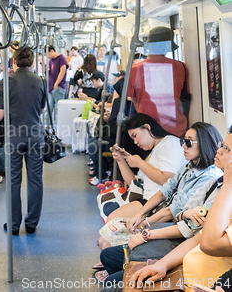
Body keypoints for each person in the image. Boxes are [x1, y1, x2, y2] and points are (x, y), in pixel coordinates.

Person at [97, 123, 222, 284]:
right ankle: (121, 270)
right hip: (163, 213)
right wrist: (140, 215)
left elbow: (181, 219)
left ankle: (123, 272)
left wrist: (145, 228)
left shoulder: (210, 177)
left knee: (111, 254)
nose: (183, 145)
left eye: (189, 142)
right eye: (183, 141)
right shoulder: (191, 166)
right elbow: (167, 190)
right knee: (107, 240)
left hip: (174, 228)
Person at [128, 129, 232, 292]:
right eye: (221, 146)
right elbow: (180, 209)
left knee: (130, 255)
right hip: (189, 262)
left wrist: (145, 230)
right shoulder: (209, 178)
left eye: (227, 149)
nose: (183, 146)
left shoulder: (220, 186)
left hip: (190, 263)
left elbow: (202, 238)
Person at [0, 47, 47, 235]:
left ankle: (14, 225)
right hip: (35, 135)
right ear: (33, 63)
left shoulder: (6, 82)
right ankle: (32, 223)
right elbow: (40, 111)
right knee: (35, 181)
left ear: (14, 62)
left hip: (13, 136)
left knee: (14, 181)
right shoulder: (41, 81)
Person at [105, 113, 187, 221]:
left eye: (135, 135)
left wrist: (139, 163)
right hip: (147, 199)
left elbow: (167, 179)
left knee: (112, 220)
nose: (135, 142)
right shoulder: (153, 152)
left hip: (159, 203)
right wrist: (121, 160)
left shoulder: (169, 143)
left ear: (147, 127)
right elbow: (134, 183)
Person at [128, 26, 190, 137]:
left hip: (147, 131)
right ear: (167, 47)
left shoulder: (134, 69)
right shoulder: (181, 67)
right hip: (175, 128)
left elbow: (133, 99)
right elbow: (184, 97)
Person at [47, 45, 68, 124]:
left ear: (52, 50)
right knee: (49, 109)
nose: (48, 56)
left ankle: (60, 128)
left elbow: (63, 71)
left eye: (48, 54)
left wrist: (56, 83)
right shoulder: (50, 61)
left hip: (58, 87)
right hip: (50, 88)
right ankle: (48, 128)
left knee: (59, 110)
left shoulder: (61, 58)